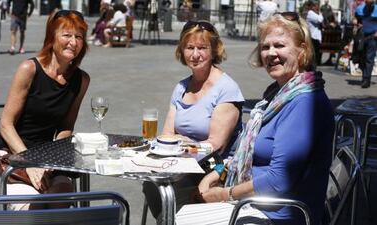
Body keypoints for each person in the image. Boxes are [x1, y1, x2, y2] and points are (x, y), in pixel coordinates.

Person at [178, 12, 335, 225]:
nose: (271, 53)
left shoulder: (305, 102)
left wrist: (224, 194)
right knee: (181, 209)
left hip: (281, 215)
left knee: (183, 218)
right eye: (265, 47)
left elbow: (278, 181)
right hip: (258, 203)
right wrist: (214, 174)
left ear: (302, 50)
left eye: (279, 45)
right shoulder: (276, 96)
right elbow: (242, 155)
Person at [0, 10, 90, 210]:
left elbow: (66, 127)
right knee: (34, 208)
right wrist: (29, 163)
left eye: (78, 36)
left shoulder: (81, 80)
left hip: (47, 158)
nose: (73, 42)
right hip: (9, 155)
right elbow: (6, 124)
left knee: (62, 200)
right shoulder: (29, 69)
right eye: (66, 35)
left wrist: (54, 160)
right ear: (52, 38)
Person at [143, 20, 244, 223]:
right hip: (186, 163)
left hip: (218, 169)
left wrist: (180, 141)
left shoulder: (226, 89)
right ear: (182, 50)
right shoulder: (181, 87)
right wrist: (183, 143)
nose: (195, 54)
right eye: (190, 47)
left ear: (214, 49)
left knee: (170, 193)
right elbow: (166, 134)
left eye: (202, 48)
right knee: (151, 183)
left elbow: (215, 145)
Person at [355, 0, 377, 88]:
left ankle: (366, 79)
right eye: (368, 3)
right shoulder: (360, 9)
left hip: (373, 36)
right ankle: (364, 76)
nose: (370, 5)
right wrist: (358, 23)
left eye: (371, 3)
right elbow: (356, 19)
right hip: (362, 36)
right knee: (362, 57)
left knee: (369, 58)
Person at [306, 1, 324, 68]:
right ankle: (312, 67)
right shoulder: (310, 13)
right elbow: (320, 19)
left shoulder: (313, 14)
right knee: (314, 54)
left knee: (315, 54)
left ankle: (313, 67)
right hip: (313, 36)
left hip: (316, 37)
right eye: (315, 6)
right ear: (311, 7)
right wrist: (320, 13)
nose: (316, 7)